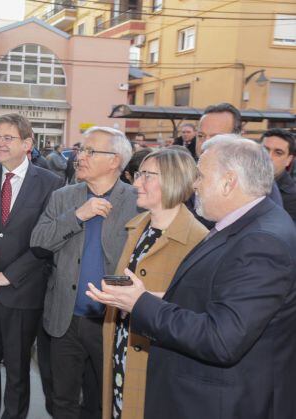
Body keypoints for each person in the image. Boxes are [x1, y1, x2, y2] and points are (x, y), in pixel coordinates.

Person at [87, 135, 296, 419]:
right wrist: (152, 298)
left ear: (229, 182)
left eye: (200, 176)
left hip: (221, 402)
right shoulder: (244, 225)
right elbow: (217, 299)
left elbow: (223, 339)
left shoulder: (262, 240)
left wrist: (141, 304)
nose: (194, 184)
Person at [0, 113, 64, 419]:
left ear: (28, 143)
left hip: (21, 293)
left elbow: (46, 242)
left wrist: (6, 276)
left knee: (18, 372)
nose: (0, 143)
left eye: (8, 138)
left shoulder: (50, 183)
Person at [30, 127, 138, 419]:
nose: (80, 156)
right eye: (81, 150)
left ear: (114, 161)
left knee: (102, 400)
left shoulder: (138, 202)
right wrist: (78, 215)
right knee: (62, 399)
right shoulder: (64, 197)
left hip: (111, 320)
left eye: (91, 151)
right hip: (65, 316)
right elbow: (38, 241)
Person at [101, 148, 208, 419]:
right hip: (121, 346)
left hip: (158, 363)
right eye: (138, 175)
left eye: (146, 176)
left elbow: (196, 317)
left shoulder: (198, 241)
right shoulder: (138, 227)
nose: (136, 183)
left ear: (173, 179)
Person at [190, 103, 283, 228]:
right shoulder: (192, 172)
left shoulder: (257, 180)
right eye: (201, 136)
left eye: (216, 137)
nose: (204, 144)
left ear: (238, 137)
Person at [261, 128, 296, 221]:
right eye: (264, 150)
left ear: (289, 160)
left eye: (278, 153)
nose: (269, 157)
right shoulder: (240, 182)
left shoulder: (293, 199)